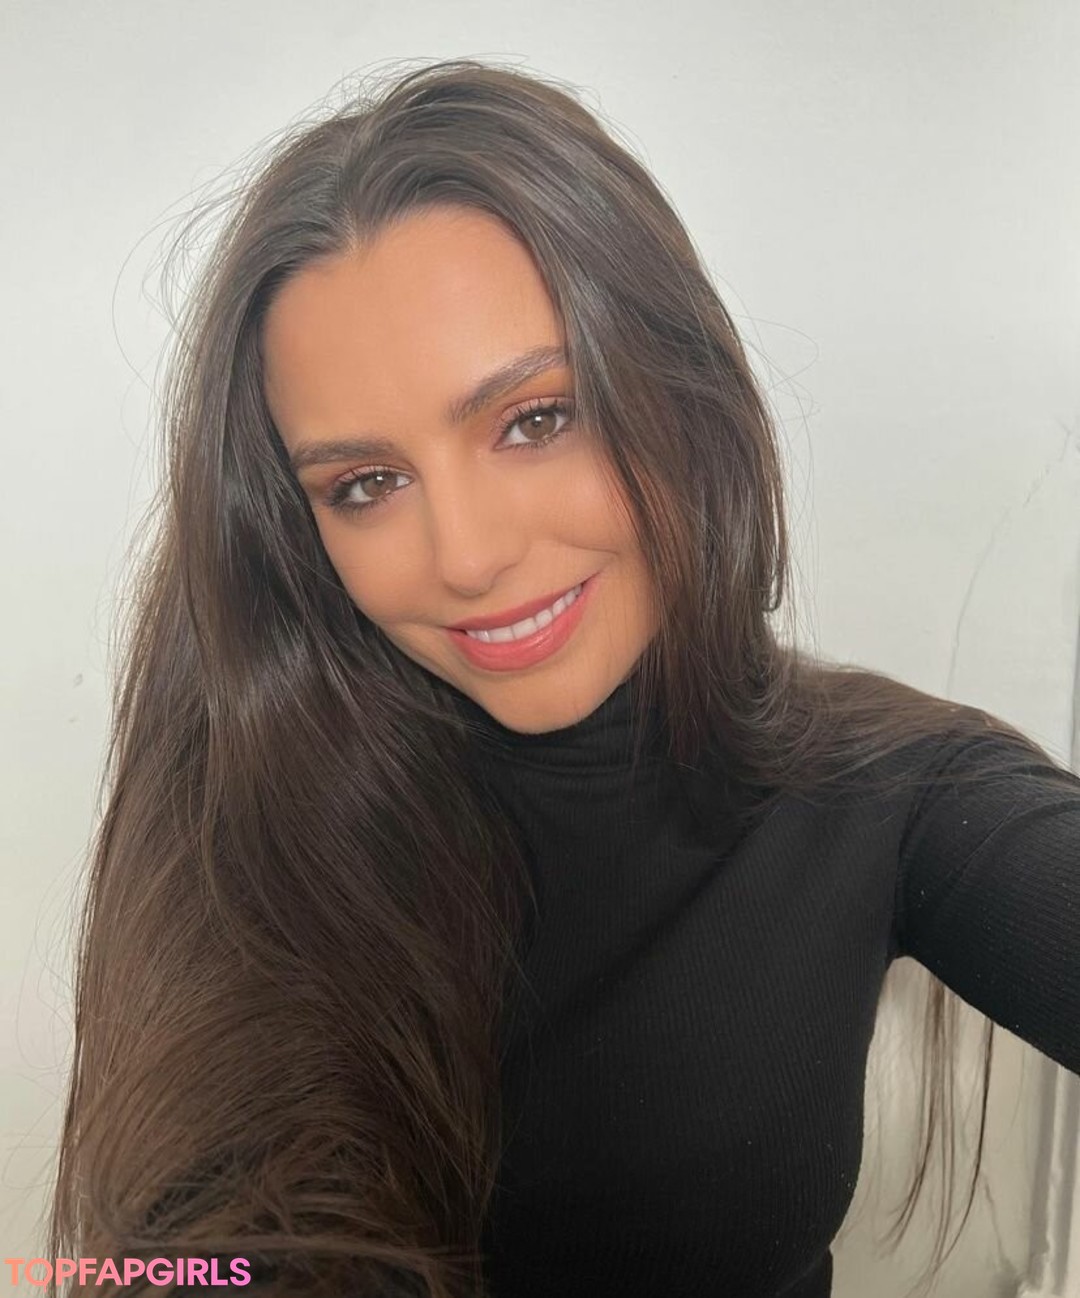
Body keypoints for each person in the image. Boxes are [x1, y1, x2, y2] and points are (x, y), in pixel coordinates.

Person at [48, 59, 1080, 1298]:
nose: (467, 556)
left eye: (536, 418)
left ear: (680, 391)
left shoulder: (899, 791)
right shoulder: (256, 822)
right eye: (367, 484)